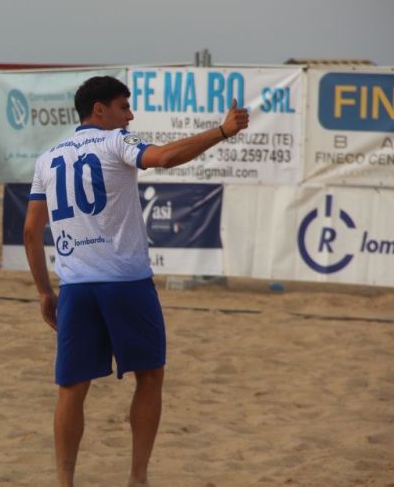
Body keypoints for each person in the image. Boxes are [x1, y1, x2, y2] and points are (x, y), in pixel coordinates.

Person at [23, 76, 249, 487]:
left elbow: (30, 231)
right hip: (125, 282)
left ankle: (64, 481)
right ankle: (138, 478)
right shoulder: (115, 142)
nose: (129, 115)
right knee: (150, 376)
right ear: (99, 110)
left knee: (72, 388)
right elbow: (163, 158)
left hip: (75, 287)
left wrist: (43, 291)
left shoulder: (47, 159)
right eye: (123, 107)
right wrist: (221, 131)